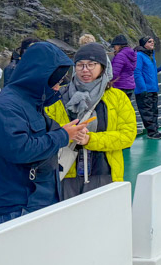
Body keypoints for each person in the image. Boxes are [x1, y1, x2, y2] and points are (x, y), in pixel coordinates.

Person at [0, 42, 87, 225]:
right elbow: (19, 149)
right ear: (40, 77)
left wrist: (69, 130)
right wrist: (63, 135)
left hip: (38, 199)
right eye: (55, 81)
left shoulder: (30, 102)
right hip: (17, 205)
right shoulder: (6, 106)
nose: (57, 87)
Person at [45, 42, 136, 199]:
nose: (85, 70)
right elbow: (45, 129)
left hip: (104, 172)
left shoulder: (117, 98)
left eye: (91, 64)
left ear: (102, 67)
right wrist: (66, 134)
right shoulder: (58, 96)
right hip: (66, 173)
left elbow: (127, 135)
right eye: (80, 65)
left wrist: (89, 139)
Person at [134, 36, 161, 139]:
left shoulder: (150, 55)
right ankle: (151, 132)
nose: (152, 43)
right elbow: (137, 72)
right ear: (144, 44)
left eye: (153, 42)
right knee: (147, 112)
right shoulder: (139, 55)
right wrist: (143, 88)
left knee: (154, 110)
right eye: (149, 42)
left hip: (153, 88)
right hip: (145, 90)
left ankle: (155, 130)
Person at [109, 34, 138, 105]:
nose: (114, 48)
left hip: (120, 86)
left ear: (119, 46)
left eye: (114, 46)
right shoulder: (132, 54)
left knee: (118, 108)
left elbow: (114, 73)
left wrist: (108, 81)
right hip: (130, 85)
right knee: (126, 108)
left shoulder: (120, 56)